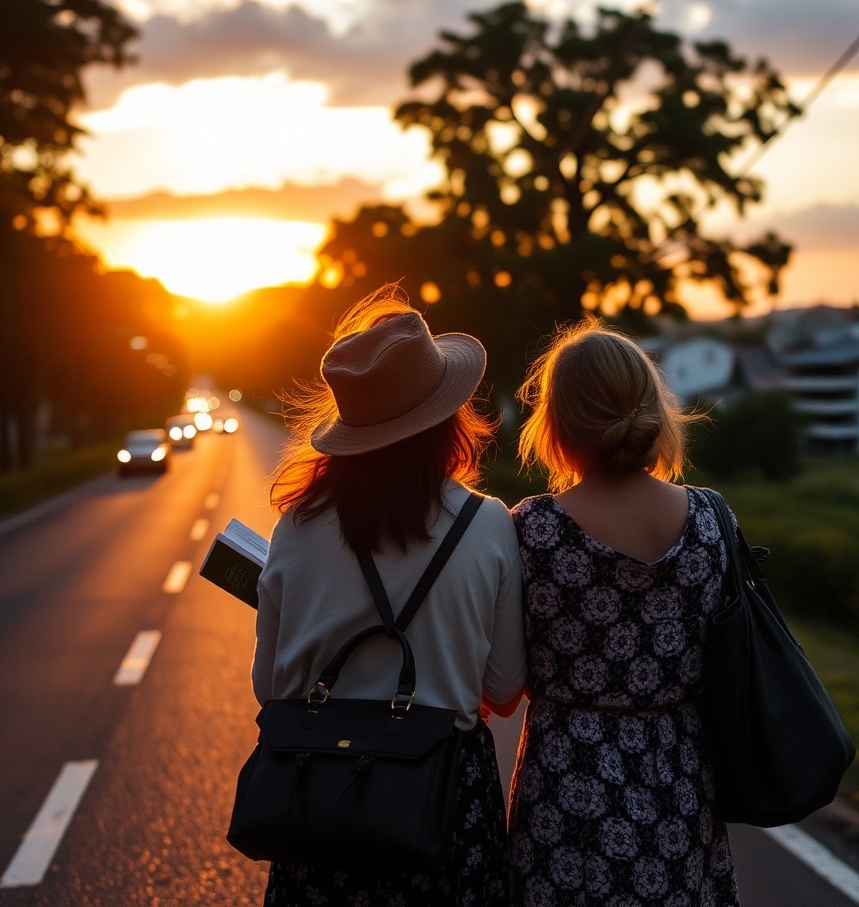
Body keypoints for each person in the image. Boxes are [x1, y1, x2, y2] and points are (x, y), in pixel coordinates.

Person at [252, 285, 527, 907]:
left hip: (317, 805)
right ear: (449, 418)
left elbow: (269, 689)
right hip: (439, 805)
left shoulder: (293, 528)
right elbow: (506, 690)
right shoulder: (486, 524)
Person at [507, 317, 740, 907]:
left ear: (556, 423)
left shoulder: (531, 529)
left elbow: (507, 683)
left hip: (566, 784)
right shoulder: (713, 520)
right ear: (653, 408)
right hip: (679, 779)